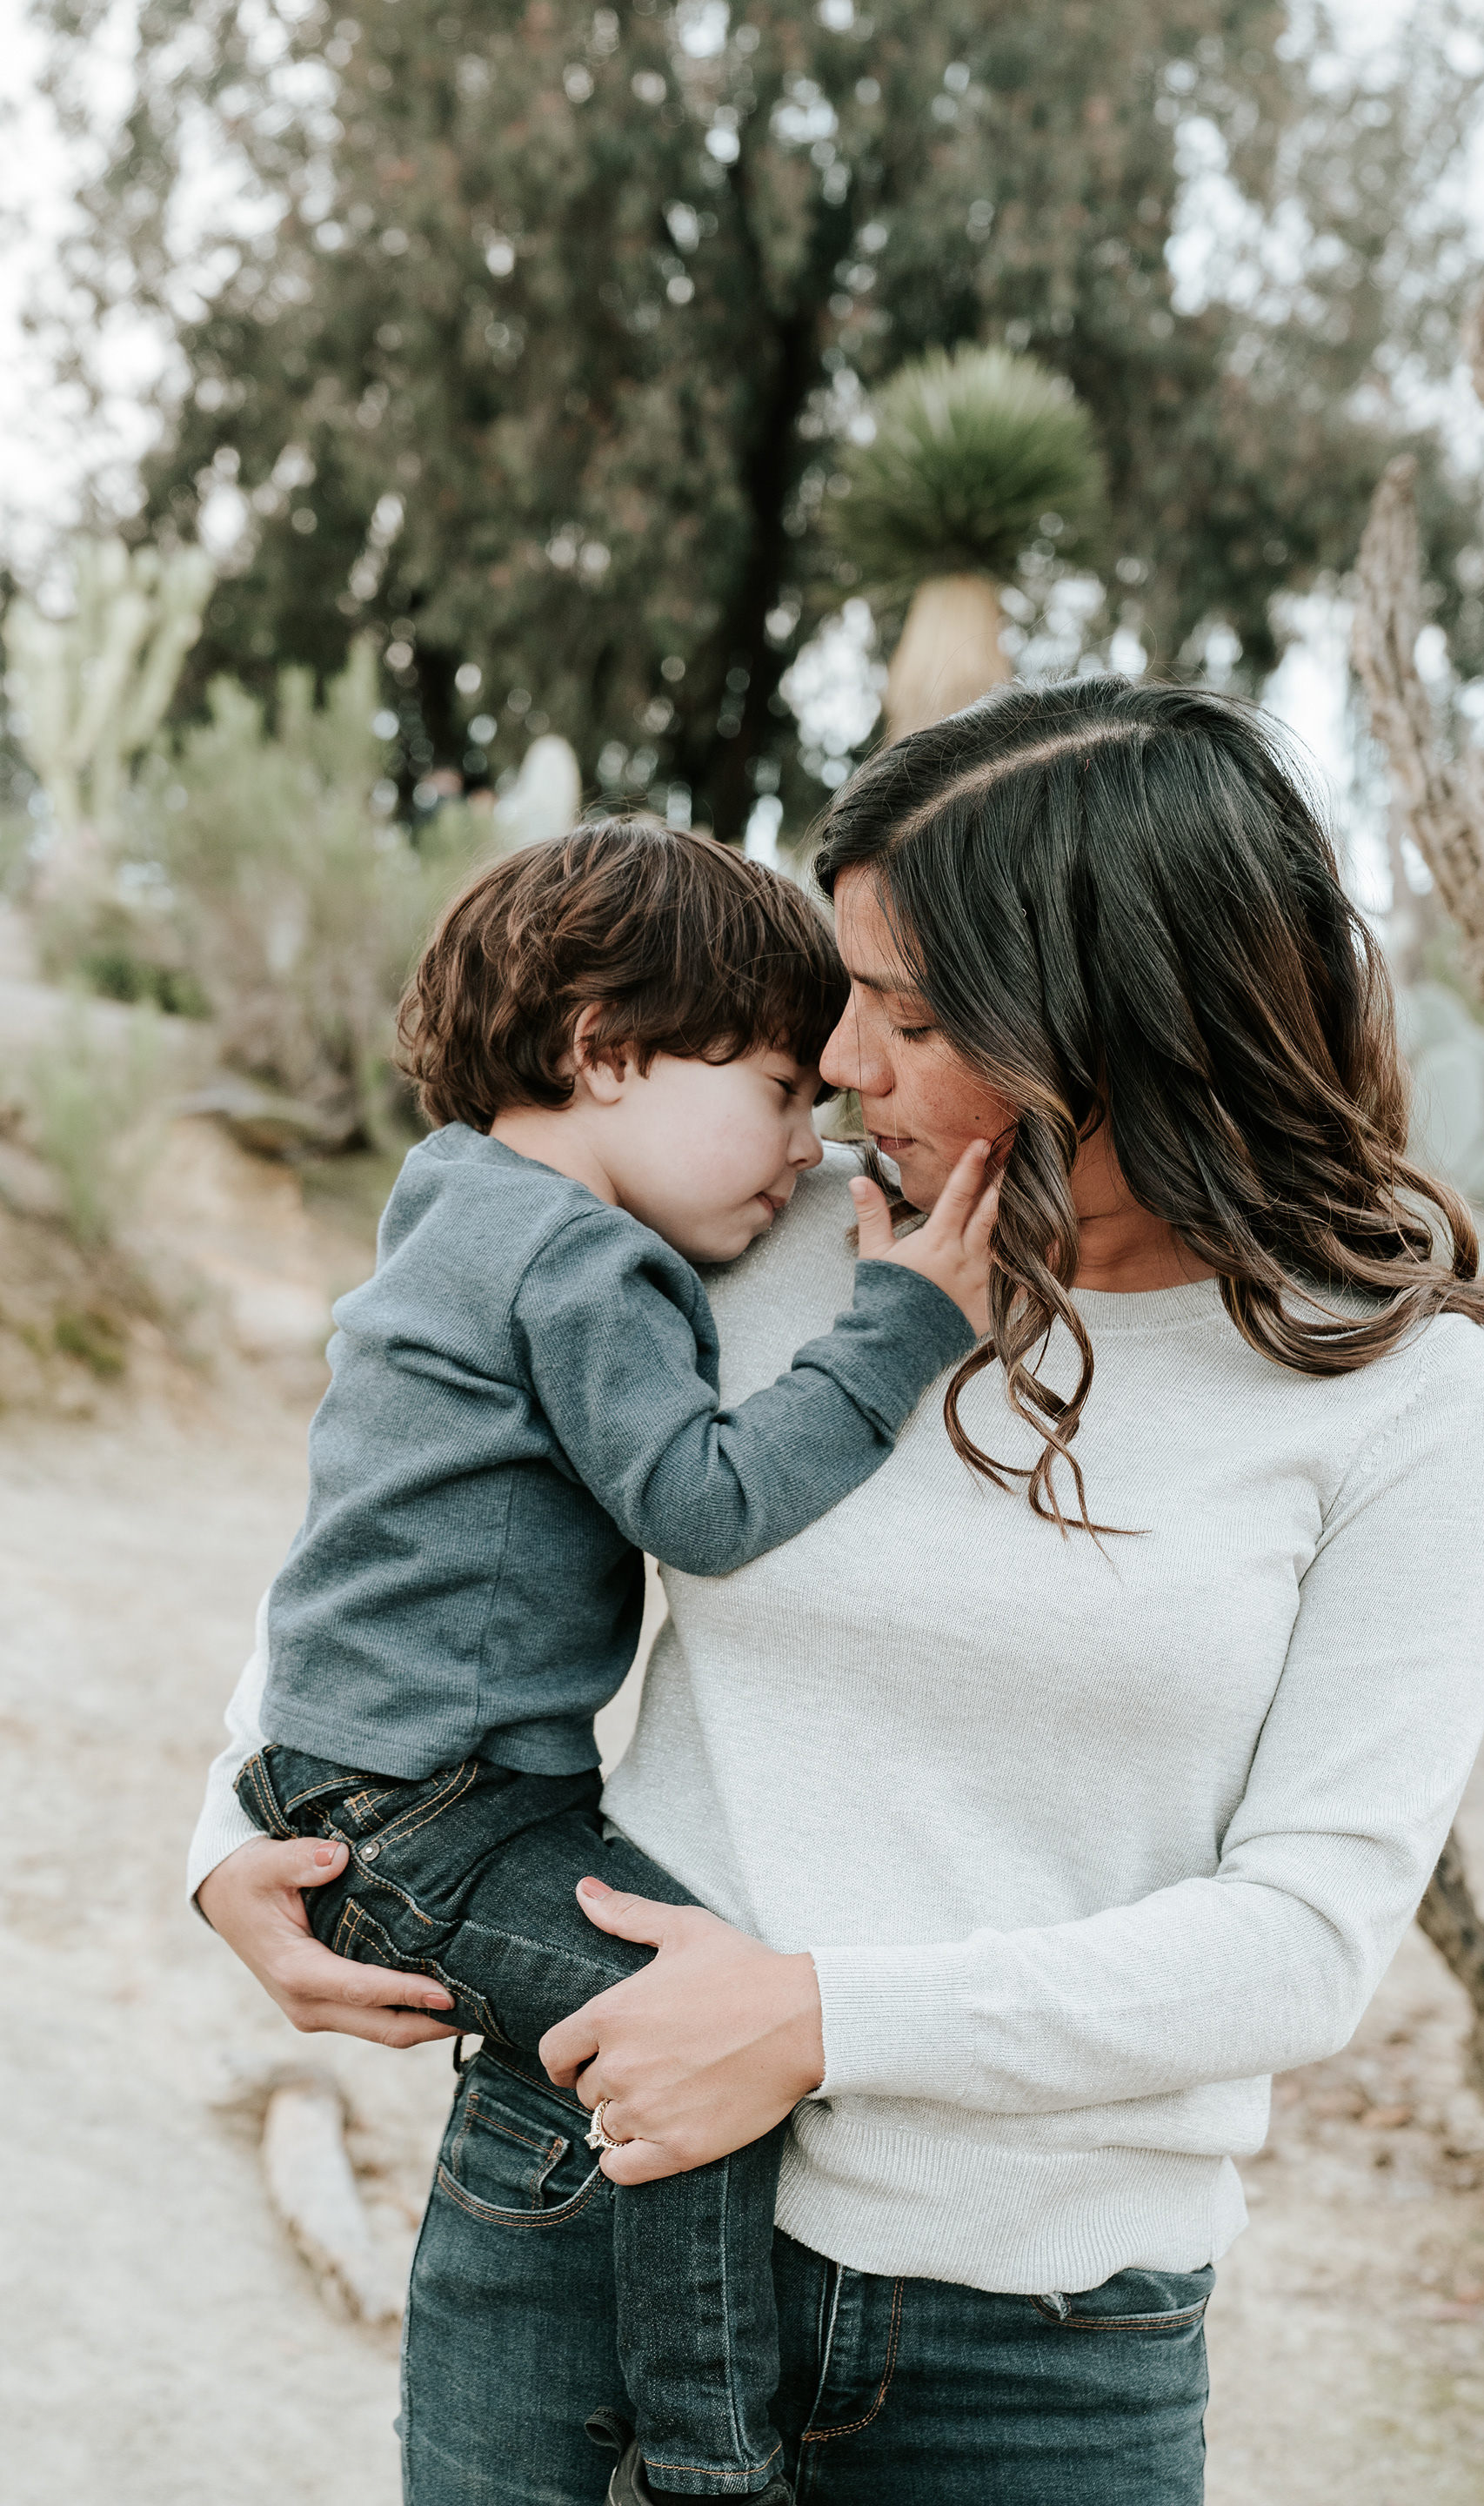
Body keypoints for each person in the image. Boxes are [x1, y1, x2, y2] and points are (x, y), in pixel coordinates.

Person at [192, 677, 1484, 2505]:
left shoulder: (1406, 1401)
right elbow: (415, 1500)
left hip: (1038, 2344)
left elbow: (1307, 1937)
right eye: (847, 999)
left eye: (911, 1017)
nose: (840, 1066)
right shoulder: (757, 1231)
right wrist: (232, 1833)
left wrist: (819, 2019)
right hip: (577, 2197)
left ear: (1127, 1026)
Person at [226, 819, 996, 2506]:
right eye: (777, 1089)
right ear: (603, 1050)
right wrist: (902, 1328)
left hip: (364, 1781)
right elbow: (702, 1504)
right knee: (683, 2031)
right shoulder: (581, 1260)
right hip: (434, 1814)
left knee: (671, 2012)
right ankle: (711, 2455)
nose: (807, 1142)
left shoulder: (450, 1199)